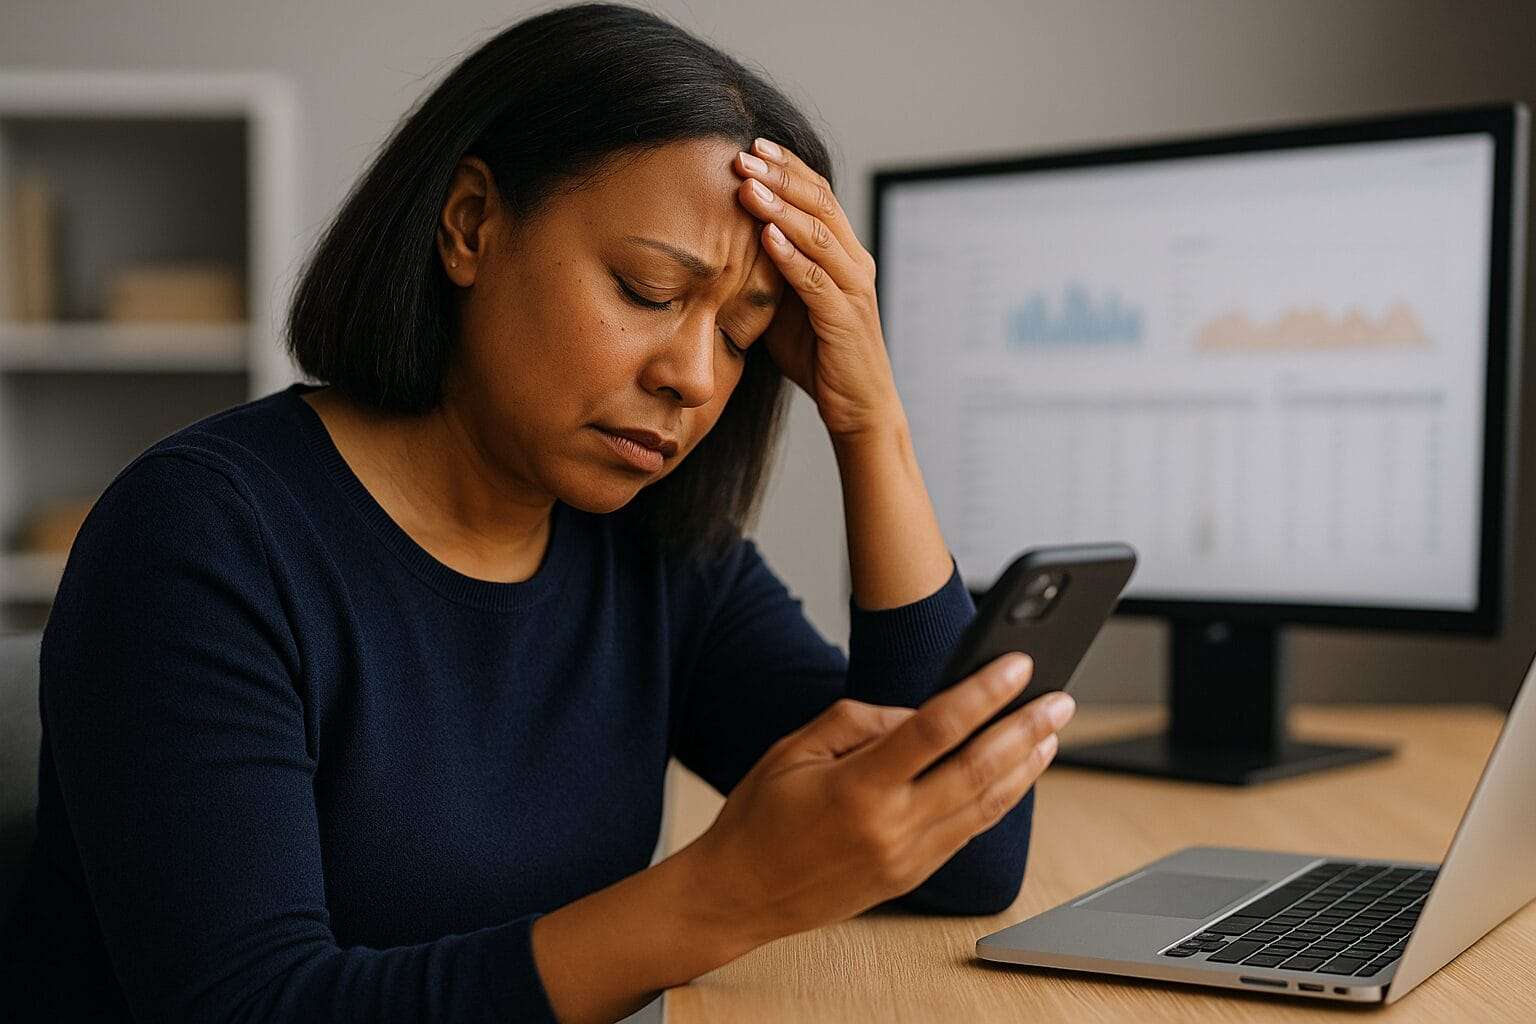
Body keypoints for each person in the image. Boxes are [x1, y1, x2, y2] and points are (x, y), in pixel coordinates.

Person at [0, 4, 1075, 1022]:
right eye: (650, 291)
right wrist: (722, 894)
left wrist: (868, 412)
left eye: (744, 334)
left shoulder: (657, 552)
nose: (696, 376)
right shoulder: (201, 540)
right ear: (470, 225)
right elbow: (250, 1008)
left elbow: (960, 852)